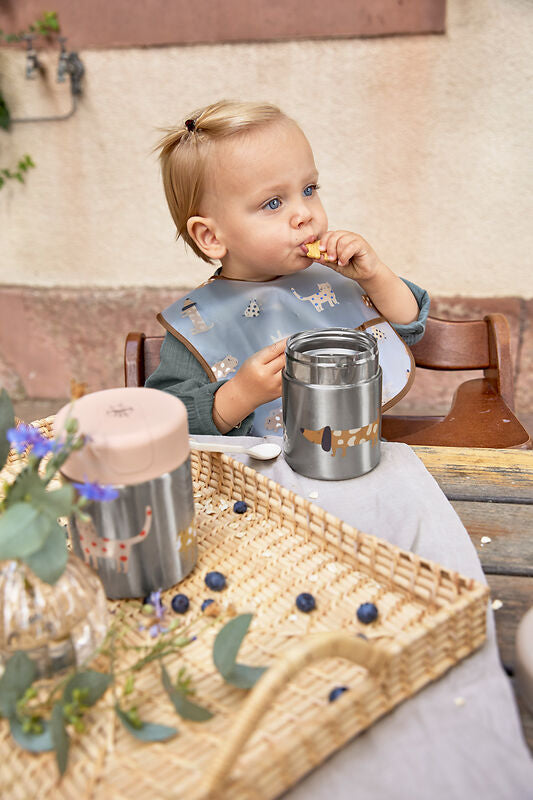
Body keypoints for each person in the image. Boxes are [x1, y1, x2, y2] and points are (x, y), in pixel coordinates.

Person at [146, 100, 430, 436]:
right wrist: (239, 395)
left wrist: (375, 275)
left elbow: (409, 325)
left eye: (309, 190)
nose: (305, 214)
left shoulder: (332, 280)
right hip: (254, 470)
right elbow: (164, 419)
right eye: (273, 203)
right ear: (211, 236)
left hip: (356, 454)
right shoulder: (198, 320)